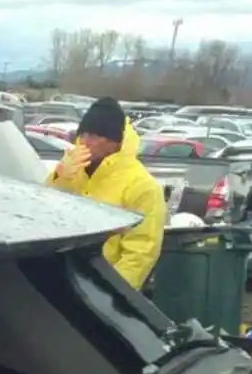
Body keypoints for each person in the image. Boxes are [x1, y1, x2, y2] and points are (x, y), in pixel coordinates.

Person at [46, 96, 166, 289]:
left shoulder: (142, 186)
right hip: (63, 280)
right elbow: (45, 214)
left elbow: (140, 252)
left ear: (116, 142)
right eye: (82, 135)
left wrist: (110, 293)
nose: (85, 142)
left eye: (94, 136)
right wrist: (60, 177)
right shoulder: (73, 170)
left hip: (102, 289)